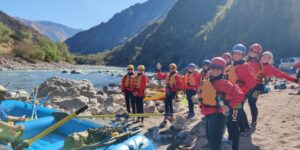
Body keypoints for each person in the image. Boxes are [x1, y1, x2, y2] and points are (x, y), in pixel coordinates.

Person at [197, 57, 244, 150]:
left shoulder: (224, 82)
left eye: (218, 68)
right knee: (210, 138)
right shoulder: (210, 80)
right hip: (208, 113)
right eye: (213, 67)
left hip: (217, 115)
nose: (215, 70)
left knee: (215, 142)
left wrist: (229, 106)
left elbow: (240, 95)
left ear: (222, 70)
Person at [226, 44, 258, 149]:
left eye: (240, 53)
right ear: (233, 53)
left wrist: (241, 94)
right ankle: (243, 130)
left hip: (236, 97)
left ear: (243, 55)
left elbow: (251, 83)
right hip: (231, 95)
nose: (237, 55)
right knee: (234, 116)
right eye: (235, 53)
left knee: (234, 118)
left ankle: (237, 137)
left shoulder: (244, 65)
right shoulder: (233, 64)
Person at [156, 63, 182, 128]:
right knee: (167, 102)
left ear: (174, 69)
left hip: (173, 91)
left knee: (169, 102)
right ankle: (167, 115)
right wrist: (159, 69)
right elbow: (160, 76)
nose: (171, 69)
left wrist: (173, 86)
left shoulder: (177, 76)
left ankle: (170, 116)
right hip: (168, 91)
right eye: (170, 68)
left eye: (172, 68)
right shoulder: (168, 74)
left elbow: (180, 84)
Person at [245, 43, 264, 126]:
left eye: (256, 52)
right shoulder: (245, 60)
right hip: (247, 86)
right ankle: (243, 122)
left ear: (258, 54)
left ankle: (254, 121)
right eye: (252, 51)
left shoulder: (258, 63)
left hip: (257, 87)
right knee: (240, 103)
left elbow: (253, 76)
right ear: (249, 50)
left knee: (252, 102)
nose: (253, 53)